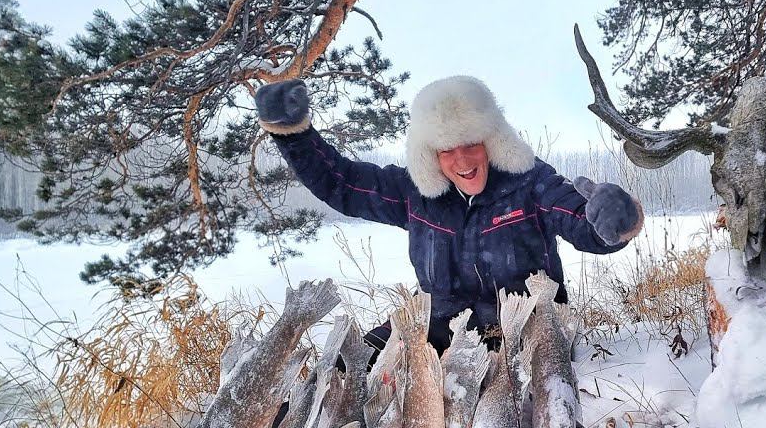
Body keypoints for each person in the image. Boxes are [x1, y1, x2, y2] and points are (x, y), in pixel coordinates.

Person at [255, 75, 643, 351]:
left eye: (470, 143)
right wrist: (294, 132)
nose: (461, 160)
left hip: (524, 328)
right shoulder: (416, 192)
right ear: (430, 154)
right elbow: (341, 184)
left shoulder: (530, 183)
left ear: (492, 140)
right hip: (439, 323)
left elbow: (581, 221)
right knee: (346, 362)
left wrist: (617, 219)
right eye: (445, 149)